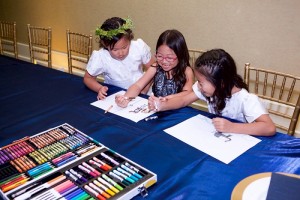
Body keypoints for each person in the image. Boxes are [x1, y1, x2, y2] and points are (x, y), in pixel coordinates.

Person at [149, 49, 276, 136]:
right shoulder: (208, 90)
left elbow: (269, 128)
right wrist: (163, 105)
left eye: (201, 82)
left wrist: (232, 127)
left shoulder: (246, 99)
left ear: (220, 82)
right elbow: (183, 100)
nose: (198, 85)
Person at [115, 29, 194, 108]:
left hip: (178, 109)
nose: (164, 61)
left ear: (180, 55)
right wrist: (126, 98)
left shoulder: (186, 71)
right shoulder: (155, 67)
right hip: (156, 108)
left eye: (169, 58)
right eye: (159, 56)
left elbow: (187, 93)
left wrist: (166, 100)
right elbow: (138, 86)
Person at [84, 17, 155, 100]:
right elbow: (88, 78)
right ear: (105, 44)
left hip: (141, 91)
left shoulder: (138, 47)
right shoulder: (101, 56)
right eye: (115, 49)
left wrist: (144, 89)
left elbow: (154, 67)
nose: (121, 53)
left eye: (125, 47)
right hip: (115, 95)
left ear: (129, 39)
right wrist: (99, 88)